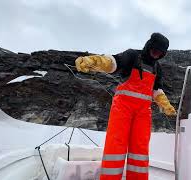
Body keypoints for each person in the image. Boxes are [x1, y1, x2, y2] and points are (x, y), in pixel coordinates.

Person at [75, 32, 176, 180]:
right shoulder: (132, 56)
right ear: (149, 46)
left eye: (160, 54)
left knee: (140, 150)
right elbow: (114, 63)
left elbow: (156, 90)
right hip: (122, 109)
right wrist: (96, 61)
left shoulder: (157, 68)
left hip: (143, 113)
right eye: (154, 51)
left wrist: (165, 105)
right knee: (115, 146)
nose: (156, 56)